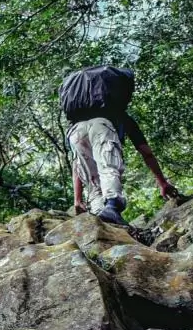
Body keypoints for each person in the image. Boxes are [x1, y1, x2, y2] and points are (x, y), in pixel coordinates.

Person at [60, 65, 182, 224]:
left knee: (93, 181)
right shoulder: (121, 116)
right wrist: (162, 182)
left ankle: (102, 219)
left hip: (75, 132)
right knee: (108, 165)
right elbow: (146, 152)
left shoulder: (76, 121)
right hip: (101, 126)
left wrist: (77, 199)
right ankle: (112, 206)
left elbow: (78, 165)